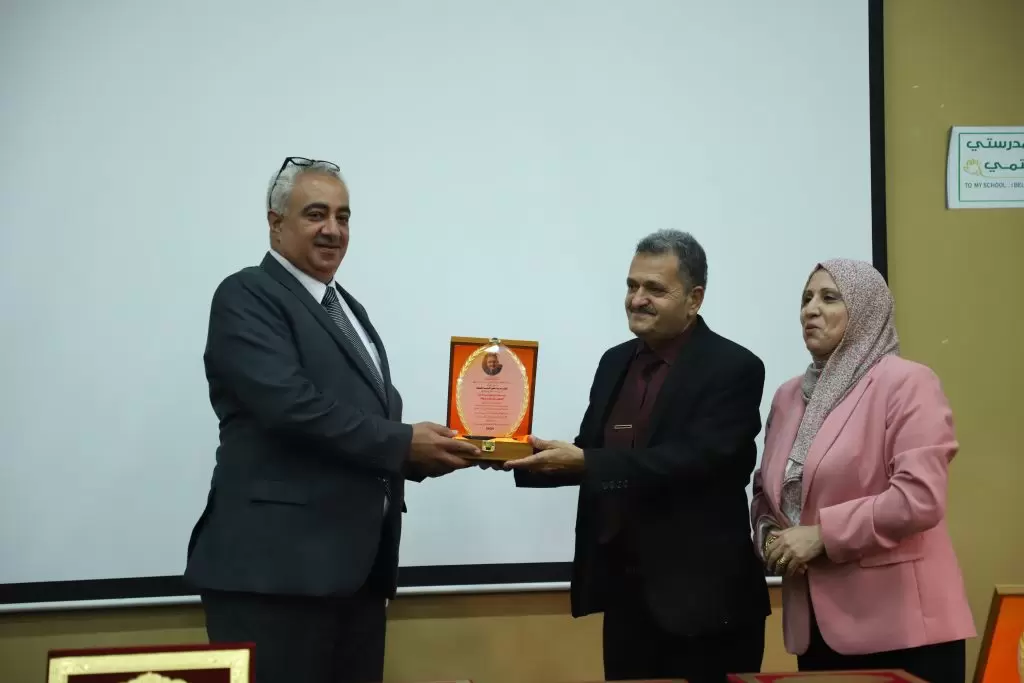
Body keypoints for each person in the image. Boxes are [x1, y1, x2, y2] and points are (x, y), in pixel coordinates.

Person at [183, 156, 480, 683]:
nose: (333, 230)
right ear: (275, 222)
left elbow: (364, 420)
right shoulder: (247, 294)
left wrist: (433, 452)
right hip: (275, 578)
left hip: (354, 576)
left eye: (343, 217)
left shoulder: (347, 309)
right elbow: (291, 406)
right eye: (315, 214)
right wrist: (403, 443)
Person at [500, 230, 771, 682]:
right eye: (632, 285)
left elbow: (697, 460)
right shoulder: (615, 362)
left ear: (694, 298)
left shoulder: (734, 367)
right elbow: (590, 450)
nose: (637, 299)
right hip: (626, 597)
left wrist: (588, 462)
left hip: (706, 605)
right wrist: (503, 450)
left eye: (655, 289)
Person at [750, 258, 975, 683]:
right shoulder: (787, 396)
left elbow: (919, 499)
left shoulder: (907, 383)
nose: (811, 309)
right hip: (816, 630)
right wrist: (770, 536)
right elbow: (767, 491)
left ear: (866, 309)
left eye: (829, 298)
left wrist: (821, 536)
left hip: (903, 629)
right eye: (806, 298)